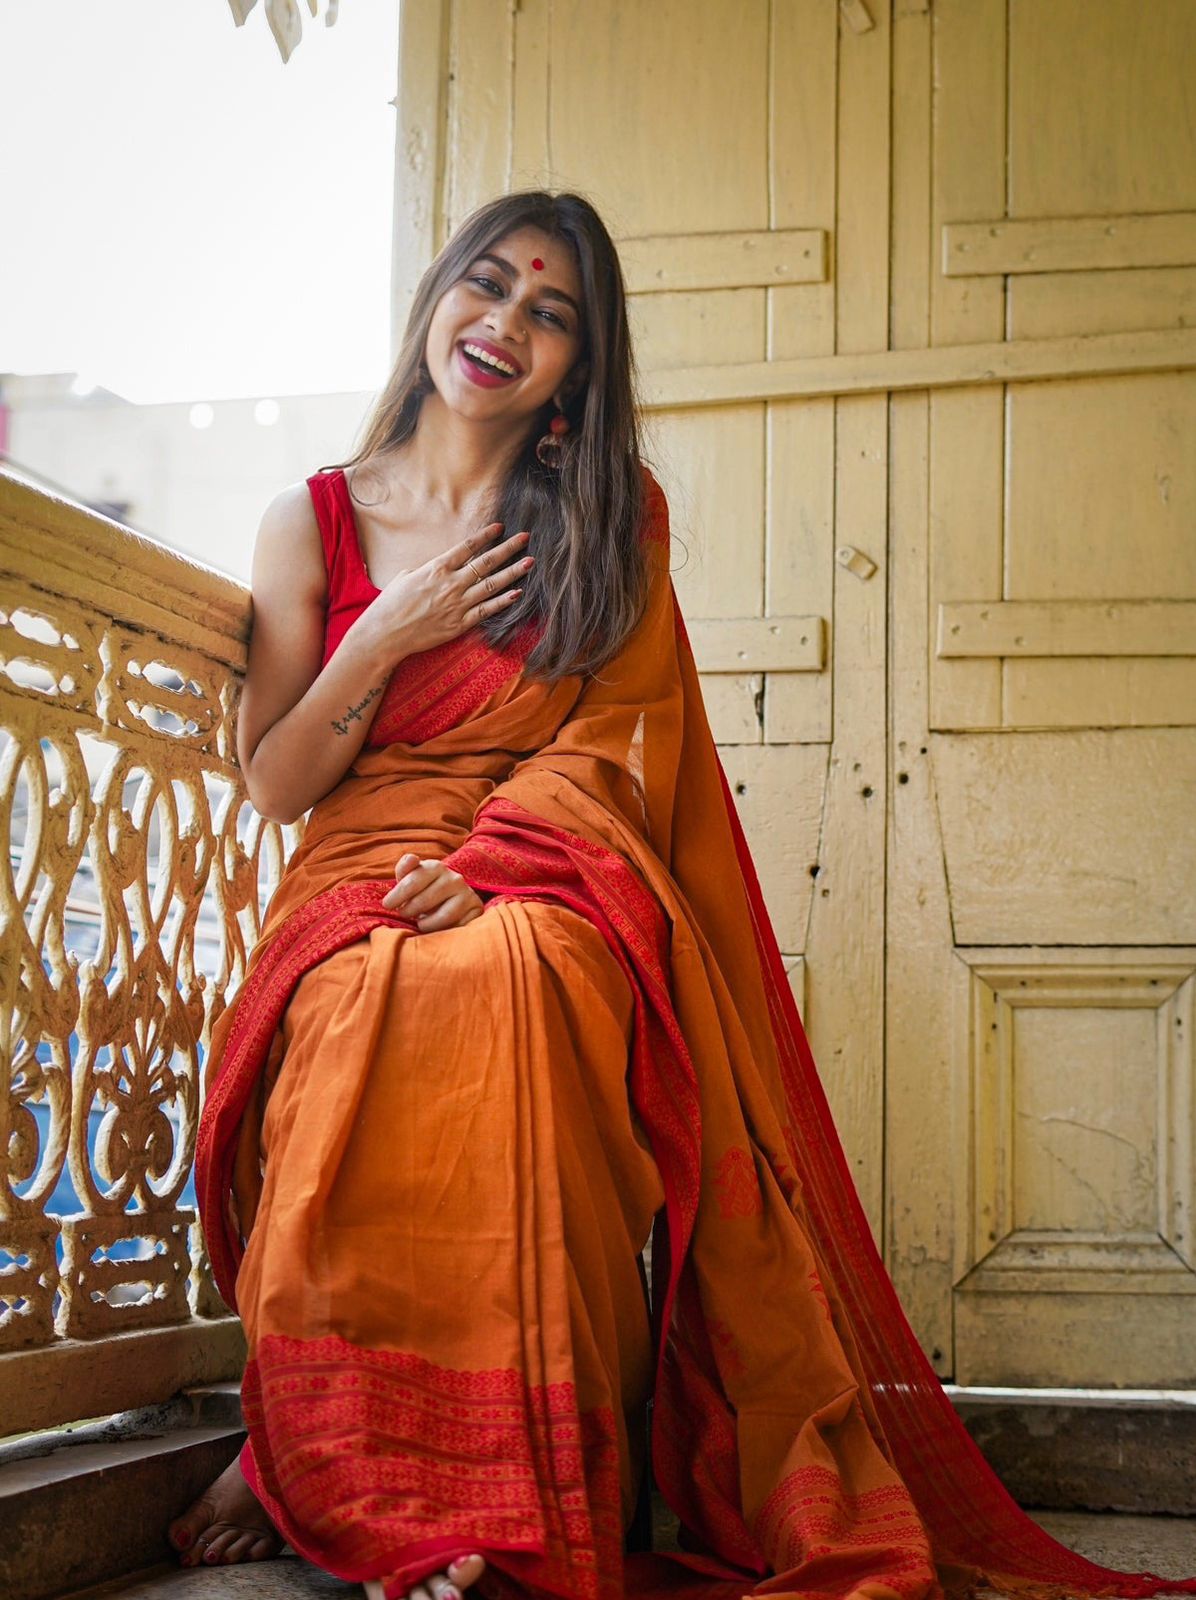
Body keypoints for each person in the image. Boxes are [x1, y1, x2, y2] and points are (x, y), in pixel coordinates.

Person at [174, 190, 1196, 1600]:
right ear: (432, 307)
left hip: (544, 872)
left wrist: (491, 873)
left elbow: (619, 748)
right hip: (353, 868)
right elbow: (281, 780)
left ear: (580, 368)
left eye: (553, 313)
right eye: (488, 287)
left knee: (516, 991)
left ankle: (503, 1500)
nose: (508, 324)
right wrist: (389, 637)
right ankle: (313, 1453)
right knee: (361, 1004)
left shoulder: (605, 519)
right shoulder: (319, 521)